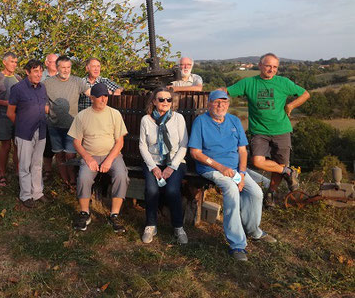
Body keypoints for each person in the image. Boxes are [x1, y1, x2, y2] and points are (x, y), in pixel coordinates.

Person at [189, 90, 277, 261]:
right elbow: (195, 153)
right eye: (216, 102)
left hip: (236, 169)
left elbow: (243, 151)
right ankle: (237, 244)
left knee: (256, 193)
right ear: (209, 104)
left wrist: (242, 174)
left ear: (228, 105)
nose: (220, 105)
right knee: (231, 189)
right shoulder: (201, 122)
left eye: (224, 102)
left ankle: (253, 230)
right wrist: (220, 167)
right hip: (211, 168)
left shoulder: (234, 120)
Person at [226, 53, 310, 207]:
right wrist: (211, 95)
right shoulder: (249, 83)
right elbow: (226, 91)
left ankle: (271, 193)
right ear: (260, 65)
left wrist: (291, 105)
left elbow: (305, 94)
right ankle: (289, 172)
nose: (271, 69)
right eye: (268, 66)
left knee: (279, 165)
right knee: (258, 161)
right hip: (259, 130)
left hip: (282, 130)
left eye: (275, 67)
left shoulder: (283, 83)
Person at [68, 83, 129, 232]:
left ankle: (114, 215)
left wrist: (109, 160)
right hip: (90, 155)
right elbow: (76, 142)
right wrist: (88, 158)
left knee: (121, 175)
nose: (103, 99)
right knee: (83, 177)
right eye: (100, 96)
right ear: (92, 98)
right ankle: (84, 213)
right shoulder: (82, 116)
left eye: (106, 96)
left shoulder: (114, 114)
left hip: (112, 154)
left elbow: (120, 142)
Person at [138, 87, 188, 244]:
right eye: (161, 99)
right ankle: (151, 225)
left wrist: (171, 167)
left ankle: (178, 227)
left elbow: (184, 145)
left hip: (175, 162)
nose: (165, 102)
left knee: (172, 190)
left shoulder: (178, 118)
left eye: (168, 99)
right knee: (151, 190)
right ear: (154, 101)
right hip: (153, 162)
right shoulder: (146, 120)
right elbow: (142, 146)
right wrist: (153, 167)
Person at [43, 55, 90, 188]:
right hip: (54, 125)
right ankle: (65, 181)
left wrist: (105, 95)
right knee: (59, 155)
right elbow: (39, 98)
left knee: (70, 154)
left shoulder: (77, 81)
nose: (66, 70)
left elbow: (91, 93)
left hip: (72, 126)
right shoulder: (47, 83)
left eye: (68, 67)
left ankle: (73, 180)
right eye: (63, 67)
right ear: (57, 68)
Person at [7, 59, 49, 208]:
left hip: (41, 130)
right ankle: (25, 195)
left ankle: (37, 192)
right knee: (24, 165)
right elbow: (10, 112)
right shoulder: (18, 88)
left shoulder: (42, 88)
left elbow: (44, 106)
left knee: (37, 164)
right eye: (35, 71)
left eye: (40, 71)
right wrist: (21, 126)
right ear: (27, 72)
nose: (39, 74)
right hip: (24, 132)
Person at [0, 52, 22, 187]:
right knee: (6, 146)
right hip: (2, 116)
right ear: (4, 62)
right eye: (12, 61)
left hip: (17, 116)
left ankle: (18, 172)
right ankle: (2, 174)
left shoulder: (18, 78)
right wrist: (6, 103)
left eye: (15, 62)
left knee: (18, 145)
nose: (14, 64)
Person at [42, 53, 58, 181]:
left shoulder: (63, 76)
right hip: (45, 117)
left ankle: (61, 172)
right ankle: (48, 171)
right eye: (53, 62)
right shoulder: (41, 77)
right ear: (47, 63)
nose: (56, 65)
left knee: (60, 147)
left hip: (60, 117)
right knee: (47, 147)